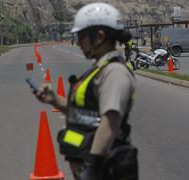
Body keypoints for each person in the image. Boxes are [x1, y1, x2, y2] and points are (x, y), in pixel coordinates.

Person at [30, 2, 138, 180]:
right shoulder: (100, 69)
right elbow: (87, 114)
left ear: (100, 36)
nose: (78, 42)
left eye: (81, 36)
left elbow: (109, 122)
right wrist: (54, 99)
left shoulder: (115, 72)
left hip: (105, 171)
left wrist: (91, 167)